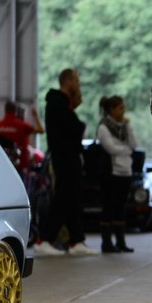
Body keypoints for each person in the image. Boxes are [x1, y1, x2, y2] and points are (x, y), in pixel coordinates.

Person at [36, 68, 96, 256]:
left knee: (71, 198)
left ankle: (75, 240)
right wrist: (80, 126)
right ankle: (44, 239)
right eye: (76, 80)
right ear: (68, 81)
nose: (78, 84)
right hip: (64, 156)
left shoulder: (61, 103)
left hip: (68, 155)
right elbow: (75, 127)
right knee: (63, 197)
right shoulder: (57, 102)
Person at [96, 95, 138, 253]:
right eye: (120, 108)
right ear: (111, 110)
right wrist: (126, 149)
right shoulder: (103, 127)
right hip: (110, 172)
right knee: (108, 206)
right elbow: (111, 148)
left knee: (121, 207)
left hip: (126, 171)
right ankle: (106, 243)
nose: (123, 111)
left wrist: (128, 128)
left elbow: (134, 144)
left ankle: (121, 242)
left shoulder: (125, 126)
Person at [0, 100, 44, 174]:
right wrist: (35, 115)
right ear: (15, 111)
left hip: (1, 165)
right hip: (19, 166)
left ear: (5, 110)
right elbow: (41, 130)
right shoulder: (23, 126)